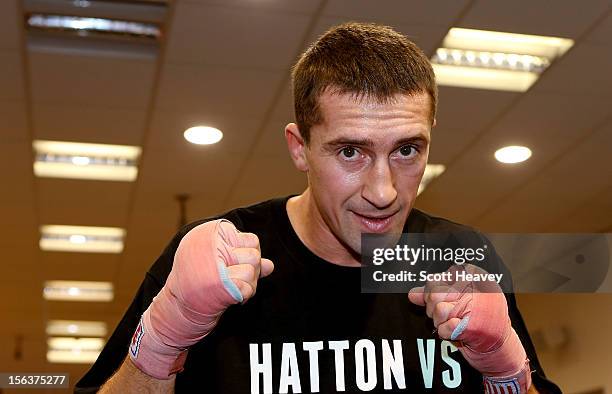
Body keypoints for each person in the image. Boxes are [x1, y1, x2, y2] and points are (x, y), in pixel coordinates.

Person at [76, 22, 561, 393]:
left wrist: (506, 368)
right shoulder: (225, 253)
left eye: (406, 150)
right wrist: (162, 341)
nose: (383, 190)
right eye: (350, 151)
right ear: (299, 147)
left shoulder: (457, 255)